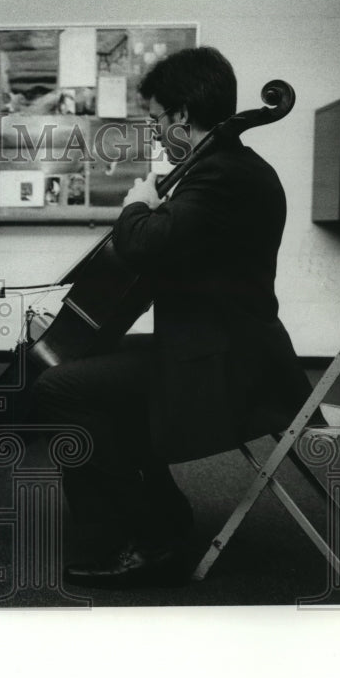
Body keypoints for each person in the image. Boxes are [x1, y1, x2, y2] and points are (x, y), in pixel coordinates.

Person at [32, 47, 313, 586]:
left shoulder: (221, 175)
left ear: (182, 115)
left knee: (61, 387)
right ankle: (158, 515)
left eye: (157, 119)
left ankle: (141, 539)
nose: (156, 132)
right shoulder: (227, 168)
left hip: (227, 366)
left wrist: (137, 202)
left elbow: (144, 246)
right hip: (213, 345)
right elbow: (180, 257)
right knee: (99, 370)